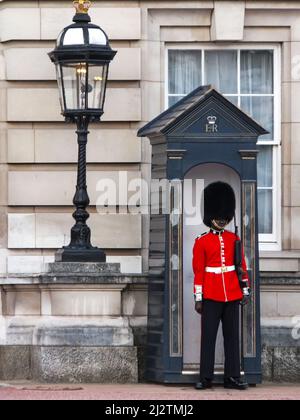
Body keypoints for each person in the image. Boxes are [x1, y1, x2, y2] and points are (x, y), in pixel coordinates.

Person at [193, 182, 251, 391]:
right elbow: (199, 271)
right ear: (211, 216)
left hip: (232, 293)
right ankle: (205, 377)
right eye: (218, 215)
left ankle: (232, 377)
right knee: (208, 337)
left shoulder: (233, 238)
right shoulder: (202, 242)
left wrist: (245, 289)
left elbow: (241, 266)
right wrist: (198, 297)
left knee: (232, 338)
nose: (222, 219)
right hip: (210, 294)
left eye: (224, 216)